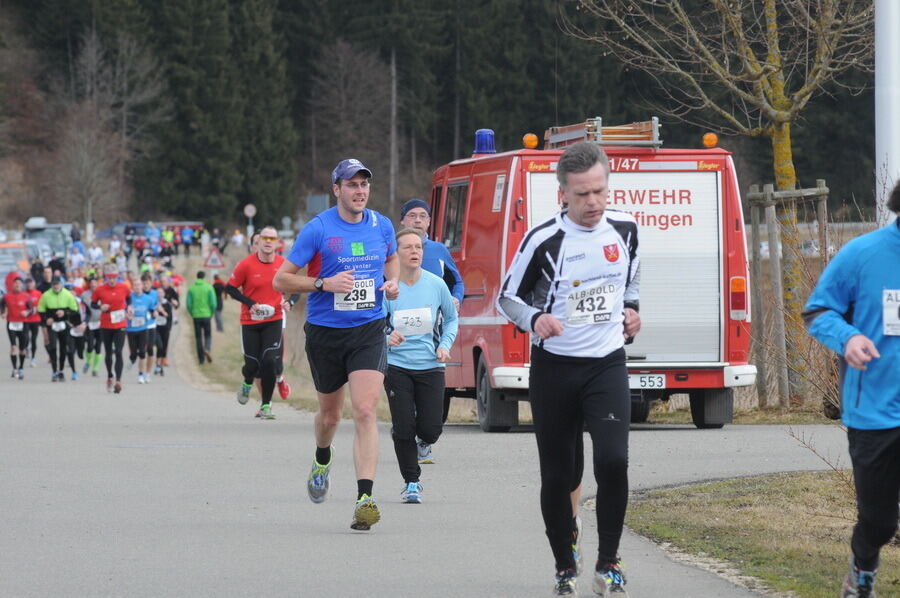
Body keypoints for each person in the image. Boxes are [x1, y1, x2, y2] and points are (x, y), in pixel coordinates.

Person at [497, 142, 641, 596]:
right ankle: (564, 562)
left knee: (614, 460)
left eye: (599, 191)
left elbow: (631, 280)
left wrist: (633, 312)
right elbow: (507, 297)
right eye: (582, 194)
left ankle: (609, 561)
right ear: (563, 193)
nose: (593, 202)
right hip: (555, 368)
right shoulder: (543, 240)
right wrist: (536, 319)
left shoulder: (626, 228)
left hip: (606, 363)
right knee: (560, 474)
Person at [274, 158, 399, 531]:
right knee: (330, 416)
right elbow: (282, 280)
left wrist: (392, 283)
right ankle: (322, 457)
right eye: (351, 185)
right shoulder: (318, 229)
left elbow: (391, 259)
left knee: (364, 410)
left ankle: (365, 497)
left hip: (368, 328)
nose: (359, 191)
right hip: (326, 332)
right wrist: (322, 284)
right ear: (336, 190)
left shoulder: (382, 225)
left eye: (364, 185)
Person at [803, 181, 900, 598]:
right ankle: (862, 569)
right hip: (875, 410)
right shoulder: (863, 254)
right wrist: (847, 338)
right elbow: (818, 311)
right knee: (878, 522)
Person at [382, 227, 458, 503]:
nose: (415, 252)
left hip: (430, 364)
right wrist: (387, 336)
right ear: (395, 254)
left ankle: (423, 441)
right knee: (403, 427)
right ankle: (411, 483)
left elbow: (451, 319)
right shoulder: (388, 288)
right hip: (396, 364)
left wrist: (445, 345)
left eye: (418, 247)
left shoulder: (436, 284)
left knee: (431, 428)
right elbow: (373, 324)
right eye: (408, 247)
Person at [397, 198, 465, 464]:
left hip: (432, 331)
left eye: (422, 216)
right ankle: (405, 428)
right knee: (404, 388)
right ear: (403, 221)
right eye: (412, 215)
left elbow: (456, 280)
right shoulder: (392, 250)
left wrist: (456, 297)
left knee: (427, 396)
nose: (417, 220)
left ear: (428, 222)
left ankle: (423, 435)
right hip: (398, 337)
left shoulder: (437, 250)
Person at [226, 225, 293, 419]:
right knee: (253, 365)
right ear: (259, 241)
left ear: (278, 243)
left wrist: (289, 301)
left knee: (269, 361)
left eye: (272, 239)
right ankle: (247, 382)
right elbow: (230, 289)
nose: (267, 242)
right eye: (264, 238)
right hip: (250, 321)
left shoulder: (283, 264)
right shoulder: (245, 265)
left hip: (274, 319)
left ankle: (266, 405)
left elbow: (295, 288)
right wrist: (250, 303)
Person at [92, 264, 131, 393]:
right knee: (108, 353)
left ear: (117, 276)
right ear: (106, 277)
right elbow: (93, 303)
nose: (112, 280)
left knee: (119, 352)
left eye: (114, 277)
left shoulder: (124, 287)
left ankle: (118, 381)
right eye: (110, 277)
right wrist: (100, 307)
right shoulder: (99, 289)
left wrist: (129, 307)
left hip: (120, 323)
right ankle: (110, 375)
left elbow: (129, 299)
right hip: (106, 324)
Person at [38, 276, 80, 382]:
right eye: (54, 284)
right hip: (52, 325)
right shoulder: (46, 295)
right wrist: (46, 319)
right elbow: (40, 310)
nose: (56, 286)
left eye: (57, 284)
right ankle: (54, 371)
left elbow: (75, 310)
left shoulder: (67, 294)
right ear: (51, 285)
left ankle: (60, 370)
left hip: (64, 324)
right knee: (52, 347)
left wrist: (65, 312)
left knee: (63, 348)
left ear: (61, 284)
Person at [1, 277, 33, 379]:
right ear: (13, 285)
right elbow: (1, 305)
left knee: (22, 349)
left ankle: (21, 368)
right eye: (15, 283)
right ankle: (14, 369)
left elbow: (32, 309)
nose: (17, 285)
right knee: (13, 347)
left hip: (23, 324)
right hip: (11, 324)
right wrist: (3, 313)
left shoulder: (26, 296)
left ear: (22, 285)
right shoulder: (7, 296)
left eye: (19, 283)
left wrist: (27, 312)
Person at [186, 270, 216, 365]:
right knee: (208, 335)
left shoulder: (191, 288)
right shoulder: (209, 287)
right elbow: (213, 303)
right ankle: (207, 348)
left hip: (196, 316)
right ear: (204, 277)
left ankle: (201, 359)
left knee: (198, 338)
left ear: (197, 277)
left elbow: (188, 304)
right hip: (207, 315)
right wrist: (211, 313)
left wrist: (192, 313)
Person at [81, 277, 104, 377]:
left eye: (96, 285)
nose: (94, 287)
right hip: (90, 323)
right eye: (92, 285)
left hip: (101, 324)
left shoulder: (103, 293)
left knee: (98, 347)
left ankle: (95, 368)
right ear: (89, 285)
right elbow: (82, 309)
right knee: (90, 346)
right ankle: (88, 361)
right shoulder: (85, 295)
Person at [23, 278, 42, 367]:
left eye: (31, 283)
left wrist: (36, 309)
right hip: (26, 320)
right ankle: (26, 347)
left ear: (34, 284)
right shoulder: (23, 294)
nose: (30, 285)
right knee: (25, 337)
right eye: (28, 283)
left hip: (35, 320)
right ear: (26, 284)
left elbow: (42, 305)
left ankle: (33, 358)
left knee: (34, 339)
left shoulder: (38, 293)